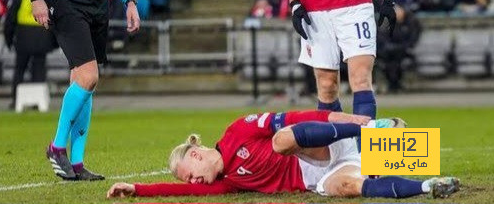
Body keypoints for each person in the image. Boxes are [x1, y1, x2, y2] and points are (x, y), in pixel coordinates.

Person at [106, 110, 460, 199]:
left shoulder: (237, 131)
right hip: (320, 175)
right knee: (348, 187)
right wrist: (136, 189)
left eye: (190, 174)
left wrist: (359, 123)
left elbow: (293, 119)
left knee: (279, 139)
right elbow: (179, 193)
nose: (193, 182)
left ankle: (372, 132)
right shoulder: (227, 184)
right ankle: (429, 186)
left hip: (327, 145)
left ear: (197, 154)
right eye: (190, 181)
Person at [24, 0, 141, 181]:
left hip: (98, 0)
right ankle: (56, 148)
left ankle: (77, 164)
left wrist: (129, 0)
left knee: (84, 80)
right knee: (89, 76)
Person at [280, 0, 396, 151]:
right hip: (315, 9)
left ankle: (367, 157)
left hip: (356, 6)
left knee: (361, 78)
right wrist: (294, 2)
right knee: (326, 85)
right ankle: (336, 157)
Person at [3, 0, 57, 109]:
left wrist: (9, 40)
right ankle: (38, 102)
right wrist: (54, 43)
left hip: (23, 38)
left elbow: (10, 20)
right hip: (42, 37)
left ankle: (16, 100)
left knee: (19, 70)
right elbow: (54, 18)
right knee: (39, 70)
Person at [377, 5, 421, 93]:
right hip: (390, 52)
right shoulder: (389, 22)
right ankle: (392, 84)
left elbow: (412, 39)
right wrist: (389, 46)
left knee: (397, 61)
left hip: (405, 51)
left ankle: (395, 84)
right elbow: (383, 37)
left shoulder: (412, 22)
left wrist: (402, 47)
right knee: (388, 60)